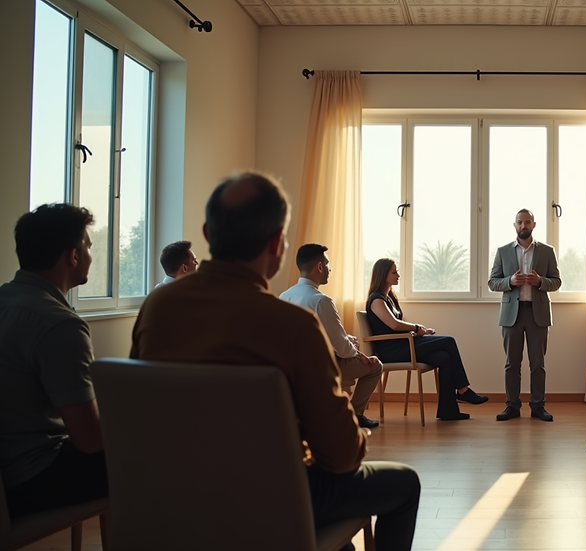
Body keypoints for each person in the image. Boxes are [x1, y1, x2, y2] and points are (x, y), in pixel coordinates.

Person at [131, 172, 420, 551]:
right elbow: (343, 454)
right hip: (269, 499)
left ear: (207, 231)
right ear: (277, 243)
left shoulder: (157, 307)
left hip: (173, 496)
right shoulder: (293, 325)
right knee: (404, 484)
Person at [0, 204, 108, 517]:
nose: (90, 254)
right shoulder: (59, 324)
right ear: (73, 256)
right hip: (30, 478)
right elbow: (89, 440)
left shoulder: (6, 301)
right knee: (158, 449)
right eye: (88, 246)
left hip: (8, 468)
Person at [365, 258, 488, 421]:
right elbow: (394, 325)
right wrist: (416, 328)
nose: (398, 275)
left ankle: (448, 411)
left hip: (403, 344)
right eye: (394, 272)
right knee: (449, 341)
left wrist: (418, 332)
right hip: (391, 351)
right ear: (382, 275)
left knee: (444, 358)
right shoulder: (376, 300)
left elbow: (394, 327)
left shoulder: (388, 298)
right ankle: (463, 390)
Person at [280, 243, 382, 429]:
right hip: (322, 368)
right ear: (320, 267)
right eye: (327, 264)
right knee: (375, 366)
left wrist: (347, 339)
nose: (329, 269)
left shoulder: (283, 296)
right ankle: (355, 415)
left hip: (291, 367)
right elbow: (342, 351)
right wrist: (356, 352)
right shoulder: (321, 300)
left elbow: (322, 335)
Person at [488, 209, 562, 422]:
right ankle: (512, 406)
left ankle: (538, 406)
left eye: (527, 222)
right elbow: (492, 282)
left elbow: (556, 282)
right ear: (515, 225)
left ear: (534, 225)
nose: (523, 226)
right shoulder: (503, 252)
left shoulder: (547, 251)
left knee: (537, 364)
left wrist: (540, 282)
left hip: (537, 313)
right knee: (512, 364)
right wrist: (510, 281)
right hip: (512, 314)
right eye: (520, 222)